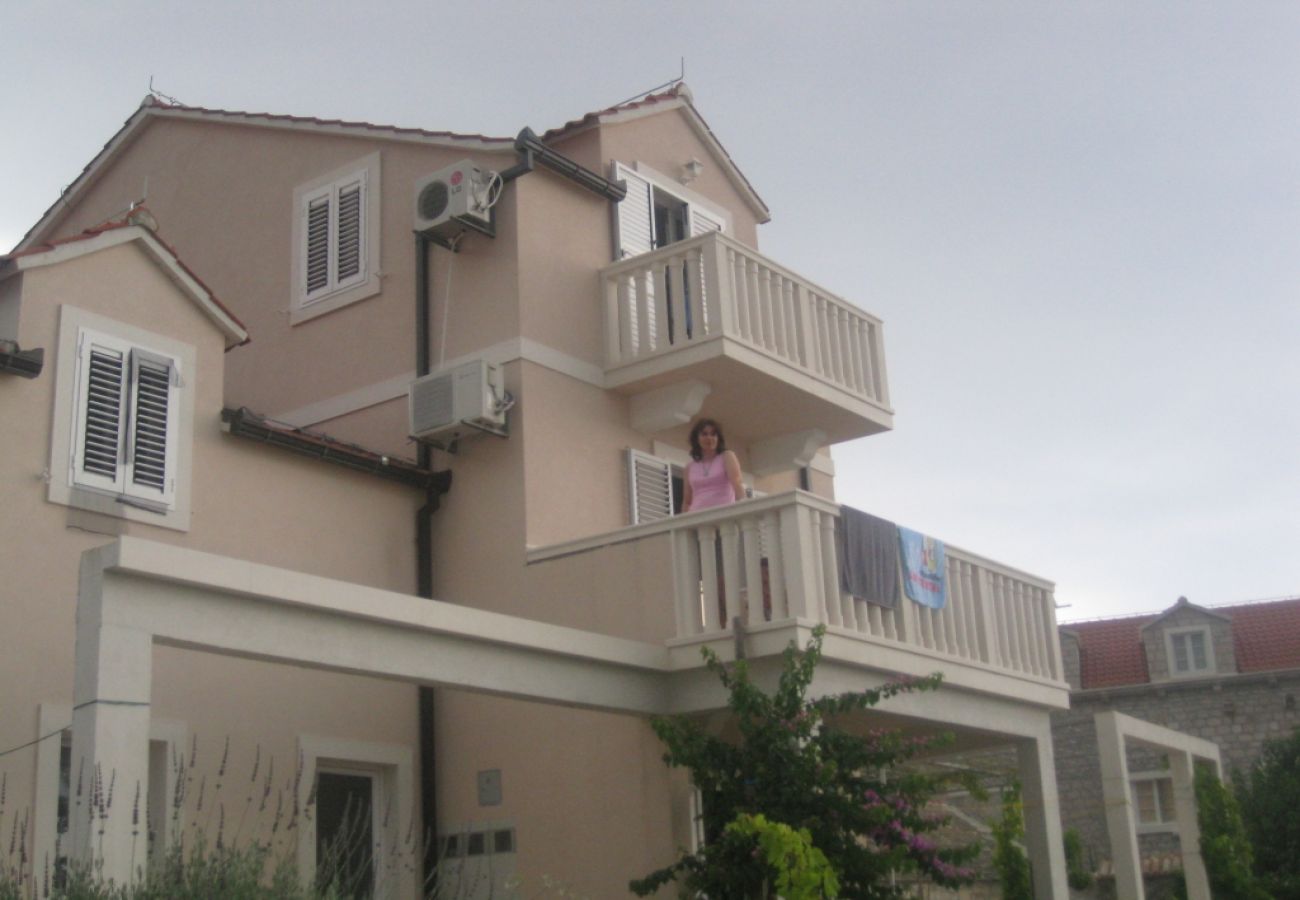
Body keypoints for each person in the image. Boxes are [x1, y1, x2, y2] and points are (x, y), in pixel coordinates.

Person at [682, 418, 744, 512]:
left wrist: (743, 508)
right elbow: (687, 501)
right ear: (697, 438)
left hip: (724, 515)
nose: (709, 438)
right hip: (698, 519)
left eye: (713, 434)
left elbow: (737, 484)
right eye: (704, 434)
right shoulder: (689, 467)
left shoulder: (726, 457)